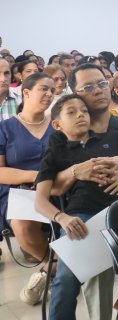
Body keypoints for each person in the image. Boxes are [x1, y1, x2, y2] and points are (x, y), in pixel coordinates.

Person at [34, 94, 118, 320]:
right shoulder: (58, 152)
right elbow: (40, 201)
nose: (80, 115)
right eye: (71, 112)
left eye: (84, 111)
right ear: (57, 124)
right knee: (66, 278)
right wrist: (62, 218)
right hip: (82, 218)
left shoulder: (114, 138)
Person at [2, 73, 56, 306]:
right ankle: (53, 266)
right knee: (23, 225)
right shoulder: (5, 128)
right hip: (19, 189)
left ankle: (50, 272)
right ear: (26, 92)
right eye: (43, 89)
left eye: (52, 90)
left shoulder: (58, 125)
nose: (49, 94)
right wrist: (37, 176)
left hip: (59, 187)